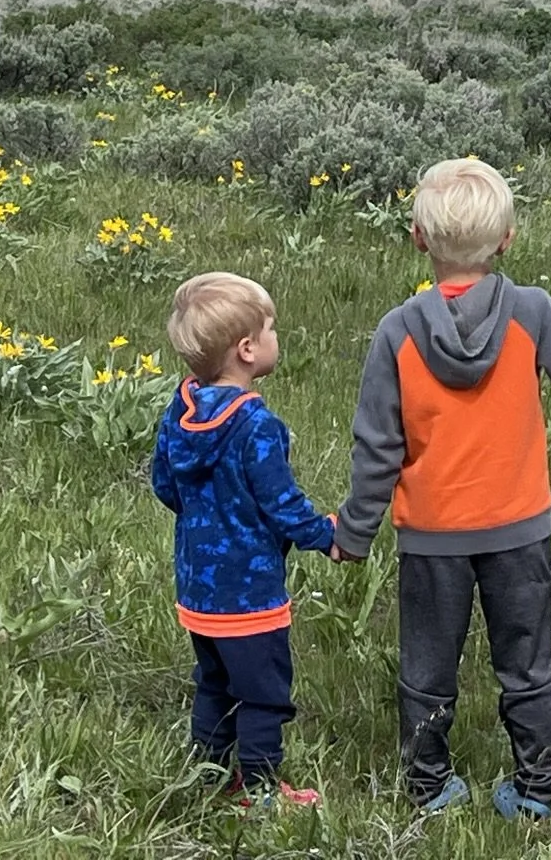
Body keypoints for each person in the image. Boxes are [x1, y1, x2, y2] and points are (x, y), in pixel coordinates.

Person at [333, 158, 551, 820]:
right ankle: (536, 789)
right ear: (508, 237)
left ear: (419, 238)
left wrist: (355, 532)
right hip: (520, 531)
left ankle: (429, 788)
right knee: (527, 665)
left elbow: (377, 448)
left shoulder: (397, 332)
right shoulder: (531, 312)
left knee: (426, 671)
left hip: (431, 538)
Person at [151, 271, 338, 811]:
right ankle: (257, 789)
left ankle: (206, 776)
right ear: (248, 348)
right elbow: (281, 503)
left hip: (197, 591)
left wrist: (203, 523)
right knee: (263, 694)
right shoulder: (256, 424)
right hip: (250, 593)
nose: (277, 337)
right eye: (271, 328)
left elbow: (164, 482)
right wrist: (323, 534)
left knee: (214, 683)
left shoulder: (181, 410)